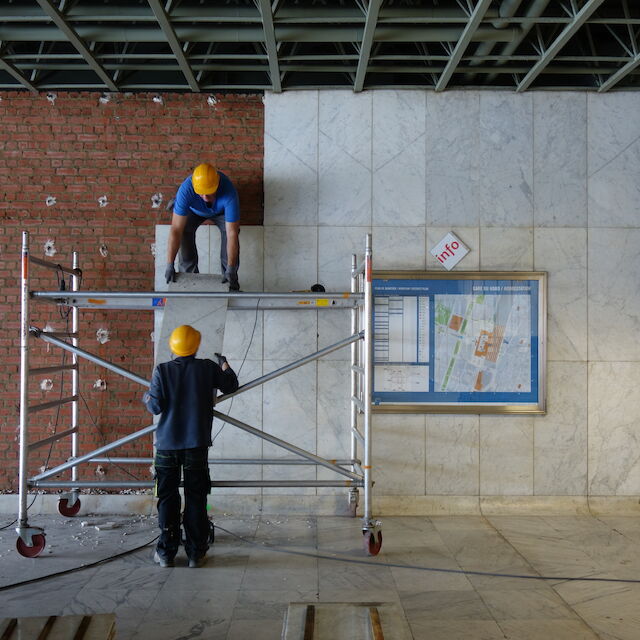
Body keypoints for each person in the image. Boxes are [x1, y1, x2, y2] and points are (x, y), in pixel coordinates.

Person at [143, 324, 239, 568]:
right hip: (196, 445)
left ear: (172, 347)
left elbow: (154, 407)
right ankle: (196, 552)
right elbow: (231, 384)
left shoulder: (162, 371)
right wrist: (224, 364)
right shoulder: (207, 368)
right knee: (196, 498)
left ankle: (166, 552)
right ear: (196, 346)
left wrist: (147, 396)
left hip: (167, 446)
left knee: (167, 498)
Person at [165, 163, 240, 291]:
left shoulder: (229, 192)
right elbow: (176, 229)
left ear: (217, 186)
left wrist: (231, 268)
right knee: (184, 232)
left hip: (221, 212)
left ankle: (229, 282)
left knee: (230, 237)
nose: (205, 198)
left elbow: (231, 233)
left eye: (209, 193)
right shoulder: (186, 190)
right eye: (201, 194)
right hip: (193, 211)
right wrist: (169, 264)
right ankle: (189, 281)